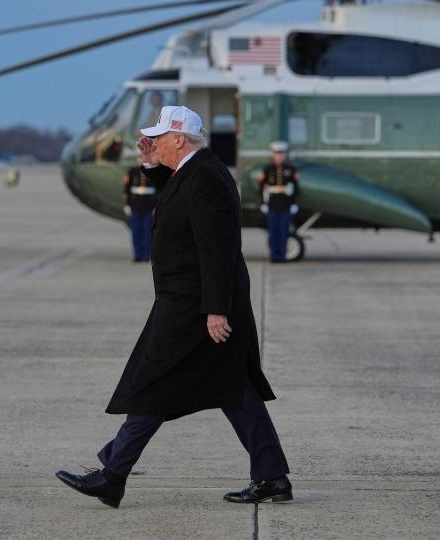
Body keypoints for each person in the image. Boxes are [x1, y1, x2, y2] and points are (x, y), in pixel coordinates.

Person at [56, 106, 291, 507]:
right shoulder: (199, 172)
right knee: (235, 390)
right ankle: (272, 477)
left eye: (160, 138)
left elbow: (216, 249)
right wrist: (151, 164)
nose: (153, 142)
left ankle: (113, 475)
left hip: (194, 305)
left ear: (179, 139)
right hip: (193, 300)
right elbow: (180, 195)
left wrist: (216, 310)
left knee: (153, 384)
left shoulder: (207, 179)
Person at [258, 141, 300, 263]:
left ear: (285, 155)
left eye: (282, 153)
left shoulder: (290, 169)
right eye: (277, 153)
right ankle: (274, 255)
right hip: (272, 205)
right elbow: (261, 186)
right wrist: (263, 203)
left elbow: (296, 188)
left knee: (284, 232)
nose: (279, 156)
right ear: (273, 155)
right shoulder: (267, 169)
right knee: (273, 233)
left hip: (286, 205)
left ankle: (282, 256)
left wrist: (294, 204)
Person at [123, 155, 157, 262]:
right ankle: (137, 255)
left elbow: (157, 191)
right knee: (136, 233)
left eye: (142, 158)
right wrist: (127, 204)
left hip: (148, 207)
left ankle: (146, 256)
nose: (140, 160)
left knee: (147, 234)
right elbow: (127, 190)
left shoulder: (153, 171)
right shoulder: (132, 172)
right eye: (139, 158)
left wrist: (155, 206)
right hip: (135, 207)